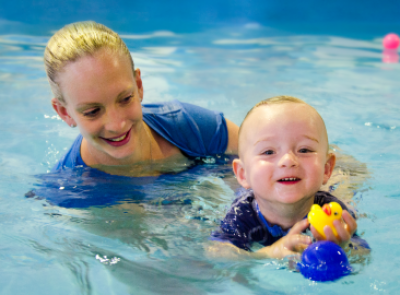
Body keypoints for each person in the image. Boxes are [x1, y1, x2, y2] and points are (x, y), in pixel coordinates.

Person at [44, 21, 238, 177]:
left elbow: (256, 163)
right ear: (64, 112)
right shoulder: (70, 190)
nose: (117, 125)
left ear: (138, 86)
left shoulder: (190, 127)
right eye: (92, 112)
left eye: (125, 99)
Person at [210, 96, 369, 259]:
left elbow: (363, 255)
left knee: (350, 193)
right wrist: (268, 253)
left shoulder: (332, 210)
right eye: (269, 152)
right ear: (243, 174)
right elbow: (218, 254)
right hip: (246, 191)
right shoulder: (242, 214)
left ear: (326, 169)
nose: (288, 160)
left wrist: (342, 247)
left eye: (305, 150)